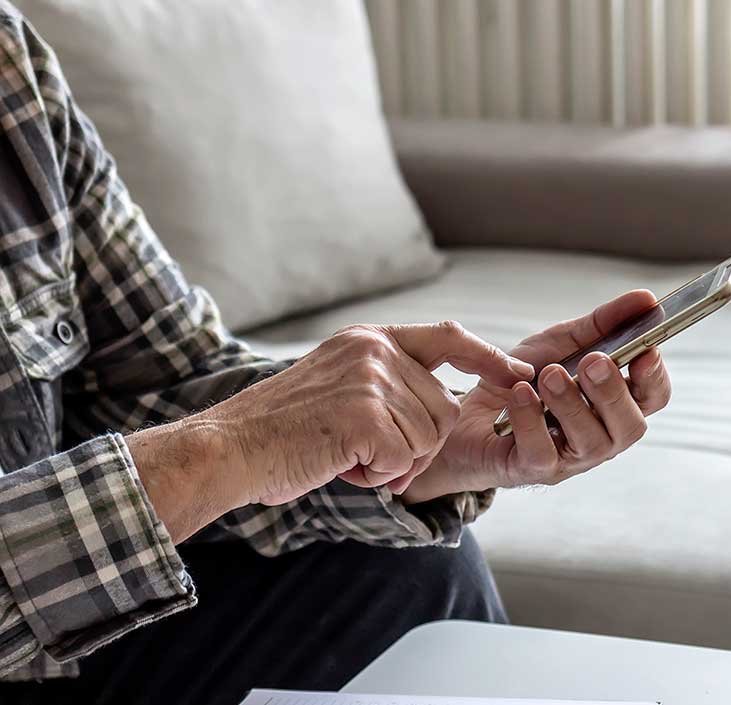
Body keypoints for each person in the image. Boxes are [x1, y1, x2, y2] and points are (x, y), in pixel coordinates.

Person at [0, 7, 671, 704]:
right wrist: (229, 446)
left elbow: (167, 376)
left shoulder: (10, 68)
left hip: (56, 637)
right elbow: (220, 437)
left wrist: (428, 446)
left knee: (405, 568)